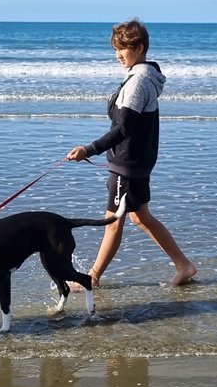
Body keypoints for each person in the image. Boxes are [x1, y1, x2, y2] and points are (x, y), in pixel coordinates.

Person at [67, 19, 197, 288]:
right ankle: (184, 265)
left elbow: (123, 128)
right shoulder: (142, 77)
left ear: (139, 47)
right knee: (140, 216)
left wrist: (88, 149)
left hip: (128, 164)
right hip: (136, 162)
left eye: (122, 48)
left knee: (112, 221)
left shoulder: (138, 82)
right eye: (115, 49)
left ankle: (92, 277)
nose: (117, 55)